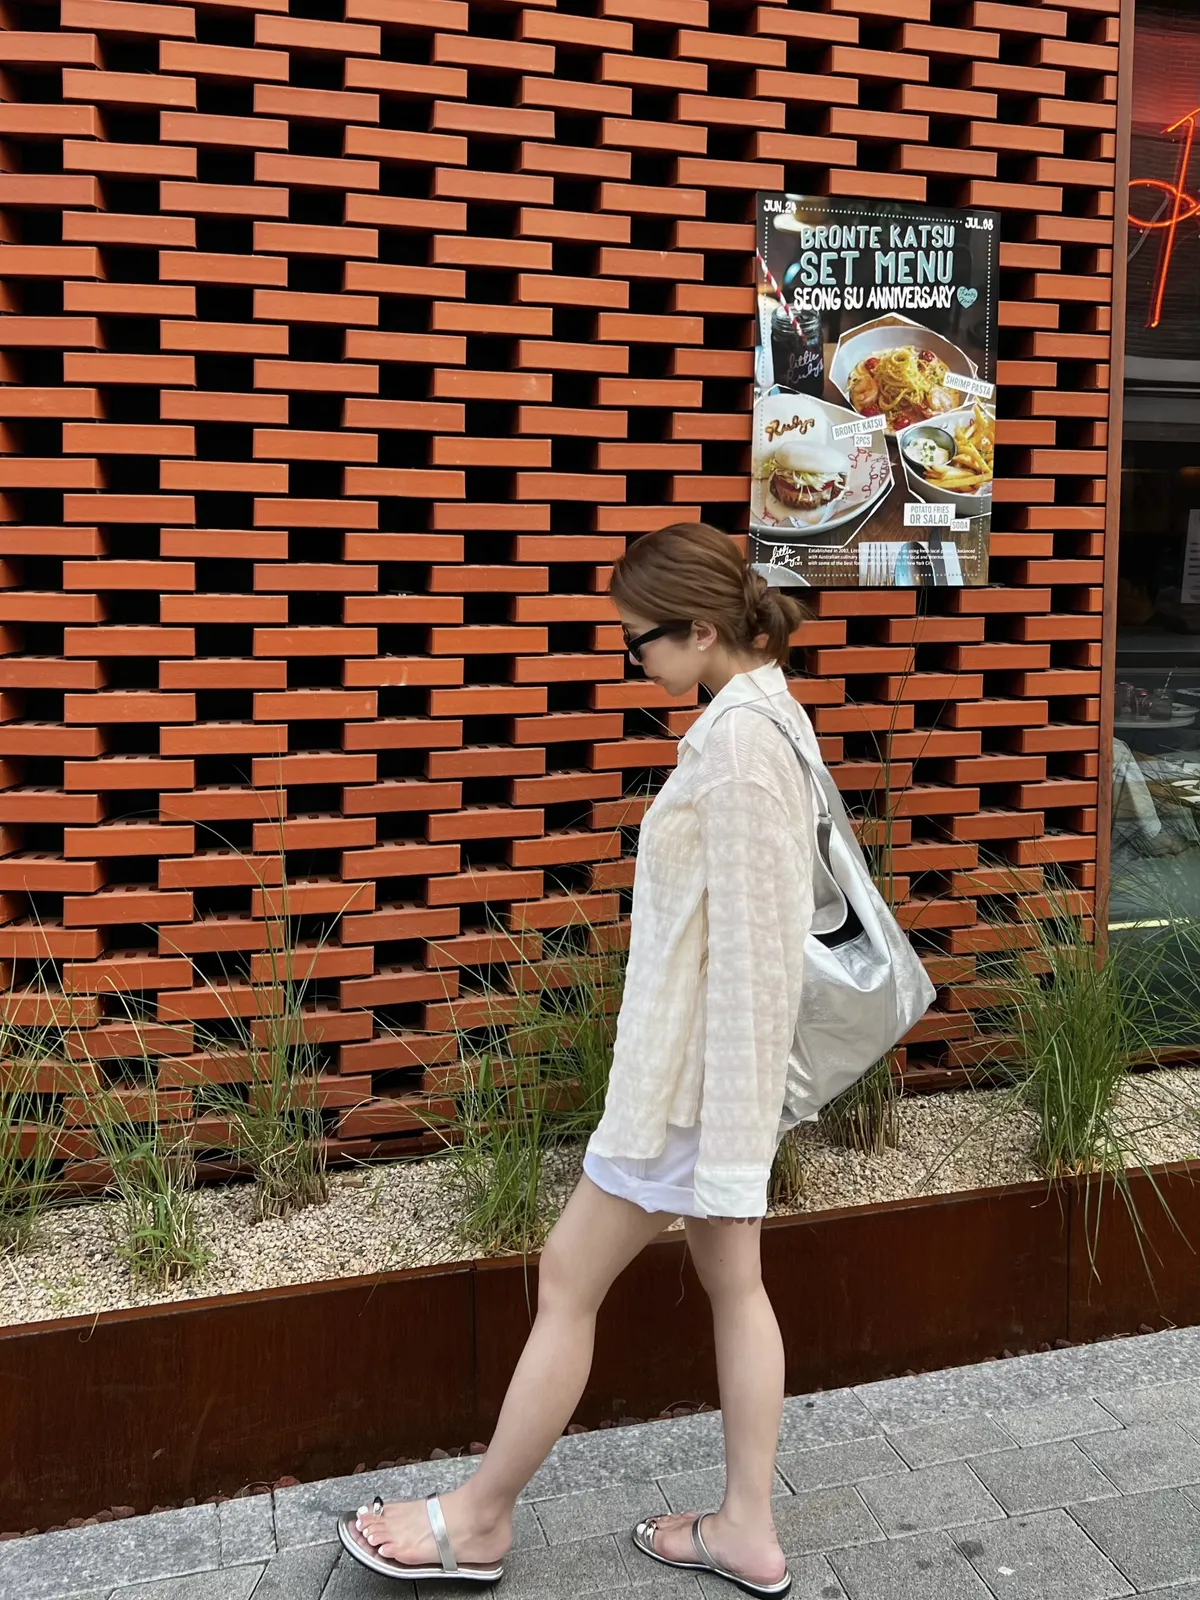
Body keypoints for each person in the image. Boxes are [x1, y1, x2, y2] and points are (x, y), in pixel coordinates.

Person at [340, 522, 816, 1599]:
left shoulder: (741, 748)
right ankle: (745, 1529)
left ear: (701, 631)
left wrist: (734, 1136)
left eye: (638, 640)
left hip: (692, 1091)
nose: (631, 660)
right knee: (733, 1283)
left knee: (569, 1276)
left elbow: (756, 954)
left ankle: (478, 1519)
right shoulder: (759, 716)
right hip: (708, 1088)